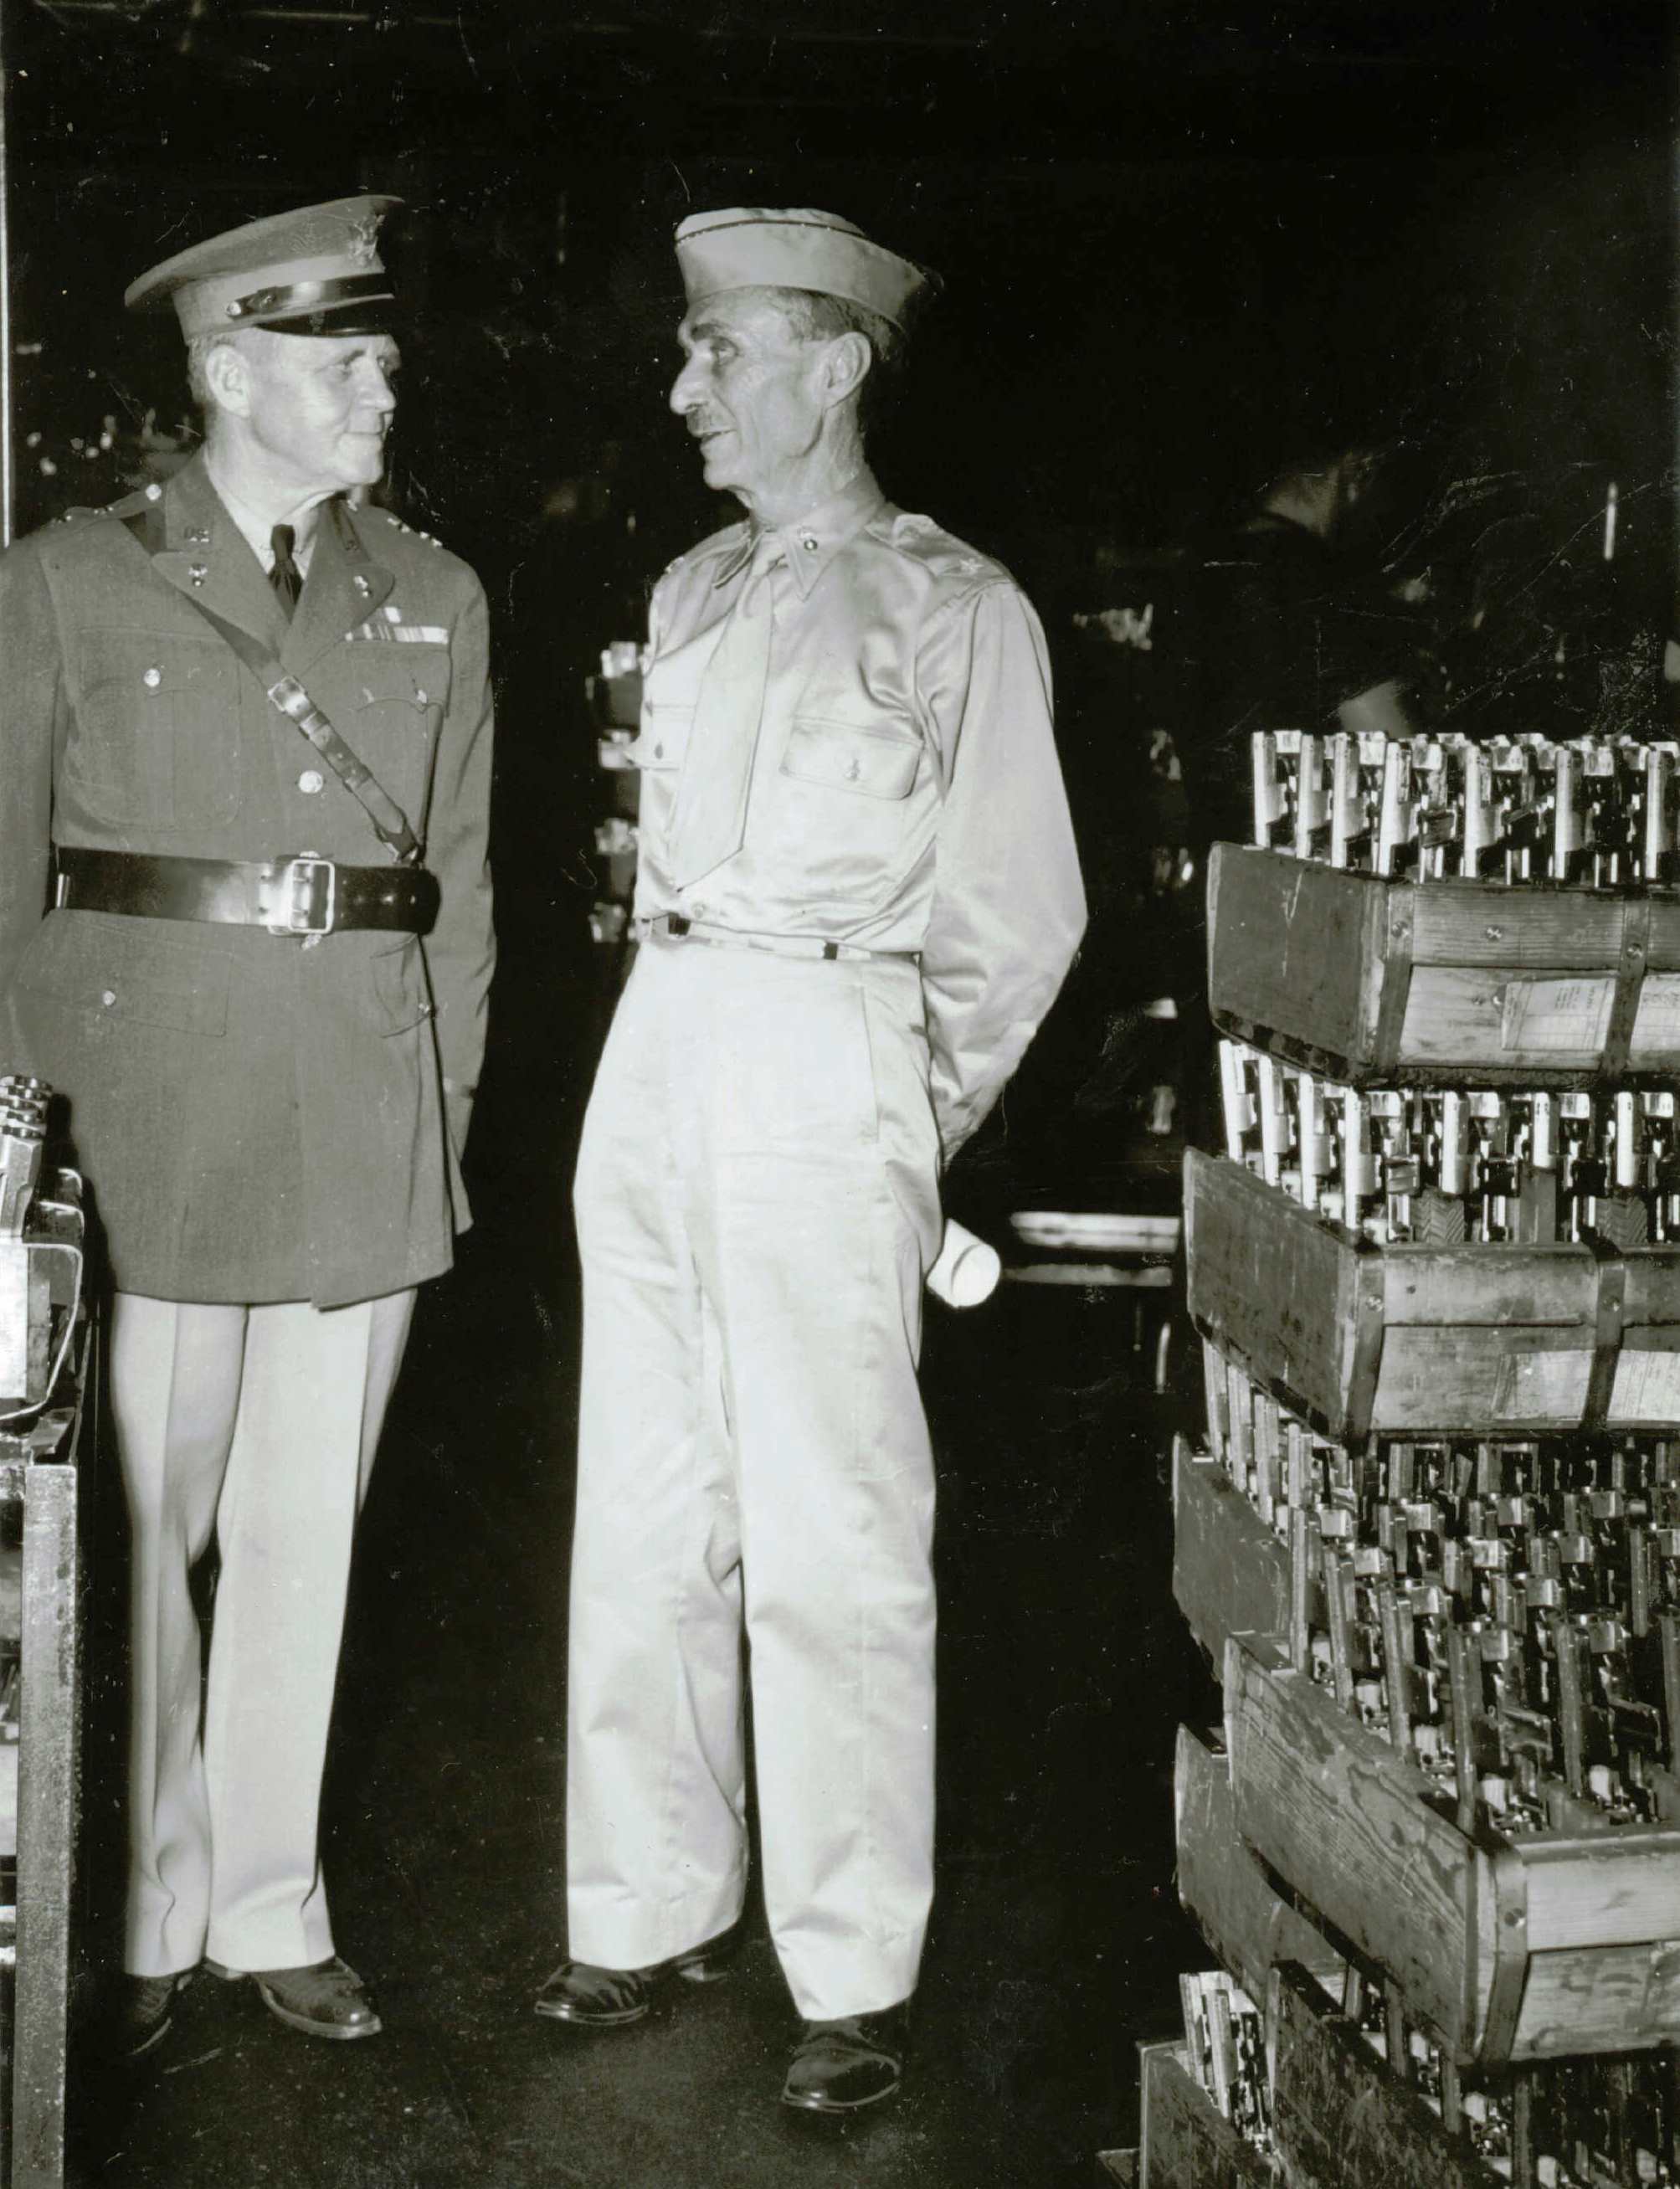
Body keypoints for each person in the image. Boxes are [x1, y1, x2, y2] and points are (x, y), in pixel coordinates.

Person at [541, 206, 1085, 2114]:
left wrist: (895, 1128)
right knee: (641, 1498)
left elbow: (1015, 918)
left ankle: (849, 1970)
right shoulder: (689, 591)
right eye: (687, 351)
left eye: (722, 351)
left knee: (834, 1534)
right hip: (663, 1042)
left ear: (835, 362)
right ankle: (643, 1906)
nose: (683, 385)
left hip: (829, 1053)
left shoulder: (957, 608)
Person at [0, 198, 496, 2055]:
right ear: (228, 371)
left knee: (314, 1527)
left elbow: (461, 890)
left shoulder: (433, 594)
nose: (385, 381)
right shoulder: (66, 577)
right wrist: (12, 1149)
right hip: (138, 1118)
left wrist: (438, 1116)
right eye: (341, 355)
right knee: (129, 1528)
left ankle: (269, 1903)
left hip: (360, 1100)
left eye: (380, 353)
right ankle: (132, 1911)